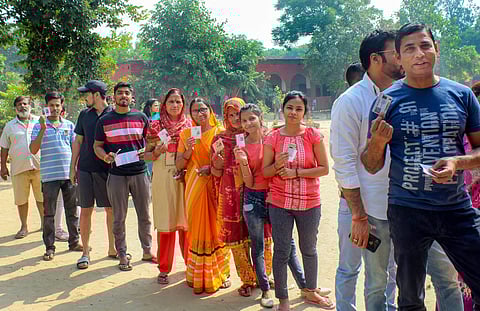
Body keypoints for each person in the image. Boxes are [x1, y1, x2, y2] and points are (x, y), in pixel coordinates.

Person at [331, 30, 462, 311]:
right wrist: (358, 215)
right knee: (375, 280)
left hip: (422, 206)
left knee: (441, 277)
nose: (405, 57)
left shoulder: (413, 92)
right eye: (397, 51)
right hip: (374, 210)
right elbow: (344, 163)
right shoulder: (351, 102)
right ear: (376, 59)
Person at [361, 23, 480, 311]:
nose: (419, 54)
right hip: (408, 211)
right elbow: (371, 164)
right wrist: (377, 142)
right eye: (409, 48)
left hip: (456, 209)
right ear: (399, 58)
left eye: (425, 45)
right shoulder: (387, 101)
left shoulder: (462, 95)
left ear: (436, 49)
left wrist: (457, 162)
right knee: (411, 297)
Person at [263, 91, 334, 310]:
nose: (293, 112)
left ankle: (310, 292)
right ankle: (283, 299)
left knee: (309, 248)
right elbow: (265, 171)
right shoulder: (273, 137)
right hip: (280, 203)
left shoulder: (312, 135)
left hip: (309, 202)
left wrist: (296, 173)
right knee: (282, 250)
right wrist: (277, 166)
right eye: (289, 108)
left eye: (298, 108)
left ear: (304, 111)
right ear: (282, 109)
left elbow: (324, 168)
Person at [94, 81, 154, 271]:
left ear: (132, 96)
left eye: (127, 93)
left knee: (145, 215)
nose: (123, 96)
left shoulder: (141, 117)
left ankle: (147, 250)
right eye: (120, 93)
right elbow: (97, 146)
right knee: (118, 217)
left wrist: (147, 150)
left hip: (140, 173)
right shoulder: (104, 120)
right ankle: (122, 254)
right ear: (113, 96)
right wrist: (105, 156)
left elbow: (150, 140)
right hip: (117, 174)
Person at [176, 97, 228, 294]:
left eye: (203, 109)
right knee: (197, 228)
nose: (200, 113)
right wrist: (189, 149)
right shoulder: (186, 134)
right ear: (191, 114)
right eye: (196, 110)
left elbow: (227, 163)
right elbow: (180, 163)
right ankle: (197, 275)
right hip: (194, 186)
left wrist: (212, 166)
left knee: (217, 228)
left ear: (210, 111)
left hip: (215, 184)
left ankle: (221, 273)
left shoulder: (220, 133)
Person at [210, 98, 257, 297]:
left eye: (239, 115)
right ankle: (247, 279)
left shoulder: (255, 136)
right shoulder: (219, 140)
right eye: (230, 115)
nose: (236, 119)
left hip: (254, 189)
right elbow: (215, 172)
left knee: (261, 234)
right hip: (230, 194)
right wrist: (217, 161)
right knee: (237, 237)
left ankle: (264, 274)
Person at [145, 88, 191, 284]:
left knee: (187, 222)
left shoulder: (189, 125)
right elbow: (146, 156)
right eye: (171, 102)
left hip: (185, 175)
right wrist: (157, 151)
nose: (175, 105)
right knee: (166, 222)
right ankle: (164, 268)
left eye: (178, 102)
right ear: (164, 105)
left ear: (183, 104)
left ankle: (192, 265)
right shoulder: (154, 126)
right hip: (163, 177)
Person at [29, 92, 82, 261]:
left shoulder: (69, 125)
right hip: (49, 177)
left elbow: (75, 148)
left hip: (68, 175)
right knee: (49, 213)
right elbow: (33, 149)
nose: (54, 108)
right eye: (51, 105)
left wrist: (75, 168)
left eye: (57, 105)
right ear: (46, 107)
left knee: (72, 211)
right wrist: (43, 129)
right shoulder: (38, 126)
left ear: (62, 106)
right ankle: (49, 247)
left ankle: (74, 242)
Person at [232, 103, 274, 308]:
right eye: (243, 120)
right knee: (257, 245)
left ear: (260, 118)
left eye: (251, 119)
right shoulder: (242, 146)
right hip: (253, 198)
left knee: (287, 244)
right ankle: (265, 289)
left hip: (275, 197)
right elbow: (247, 182)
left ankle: (305, 286)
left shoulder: (273, 138)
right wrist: (242, 162)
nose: (248, 124)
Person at [70, 80, 115, 269]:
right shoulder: (84, 115)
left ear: (96, 95)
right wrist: (73, 167)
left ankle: (113, 248)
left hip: (108, 170)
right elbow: (78, 142)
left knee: (111, 210)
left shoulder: (114, 114)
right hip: (86, 169)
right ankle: (85, 251)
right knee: (86, 210)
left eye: (87, 94)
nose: (85, 98)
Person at [0, 96, 44, 238]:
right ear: (15, 108)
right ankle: (24, 227)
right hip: (19, 168)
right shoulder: (10, 126)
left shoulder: (39, 121)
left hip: (39, 167)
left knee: (42, 198)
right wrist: (3, 167)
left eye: (25, 103)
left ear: (29, 105)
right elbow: (4, 148)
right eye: (19, 104)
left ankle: (45, 225)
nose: (22, 106)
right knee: (21, 200)